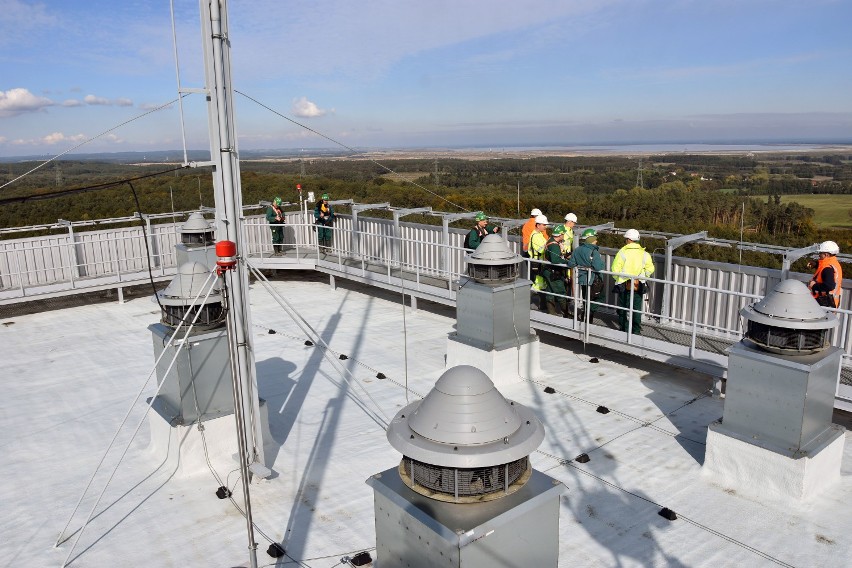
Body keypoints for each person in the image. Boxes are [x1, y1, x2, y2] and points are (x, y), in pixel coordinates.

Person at [611, 229, 655, 334]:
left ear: (629, 239)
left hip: (623, 285)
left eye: (626, 239)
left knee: (623, 308)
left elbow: (614, 270)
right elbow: (650, 269)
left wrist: (618, 280)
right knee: (636, 309)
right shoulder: (645, 254)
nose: (626, 241)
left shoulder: (622, 252)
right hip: (638, 285)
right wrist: (643, 277)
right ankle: (636, 331)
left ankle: (624, 329)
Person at [566, 228, 605, 321]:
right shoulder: (594, 252)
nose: (596, 241)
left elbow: (571, 264)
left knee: (585, 298)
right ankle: (589, 316)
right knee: (598, 298)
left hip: (582, 279)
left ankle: (585, 317)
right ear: (591, 240)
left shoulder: (577, 250)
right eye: (595, 239)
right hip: (593, 280)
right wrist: (602, 263)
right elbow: (598, 267)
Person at [541, 224, 573, 316]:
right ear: (560, 234)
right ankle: (566, 313)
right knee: (561, 292)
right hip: (553, 272)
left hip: (548, 271)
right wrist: (567, 262)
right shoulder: (554, 246)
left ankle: (551, 313)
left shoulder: (550, 241)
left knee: (550, 291)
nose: (563, 236)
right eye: (563, 234)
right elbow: (555, 260)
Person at [808, 240, 842, 308]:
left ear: (826, 255)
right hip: (830, 302)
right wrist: (816, 264)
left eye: (821, 253)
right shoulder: (834, 263)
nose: (819, 255)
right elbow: (825, 270)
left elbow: (829, 286)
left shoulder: (827, 268)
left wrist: (814, 285)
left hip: (824, 303)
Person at [527, 215, 550, 299]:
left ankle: (542, 304)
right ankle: (526, 301)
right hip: (537, 262)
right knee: (538, 284)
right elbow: (542, 249)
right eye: (544, 225)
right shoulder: (536, 236)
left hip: (540, 262)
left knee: (540, 283)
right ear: (538, 225)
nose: (545, 226)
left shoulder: (539, 234)